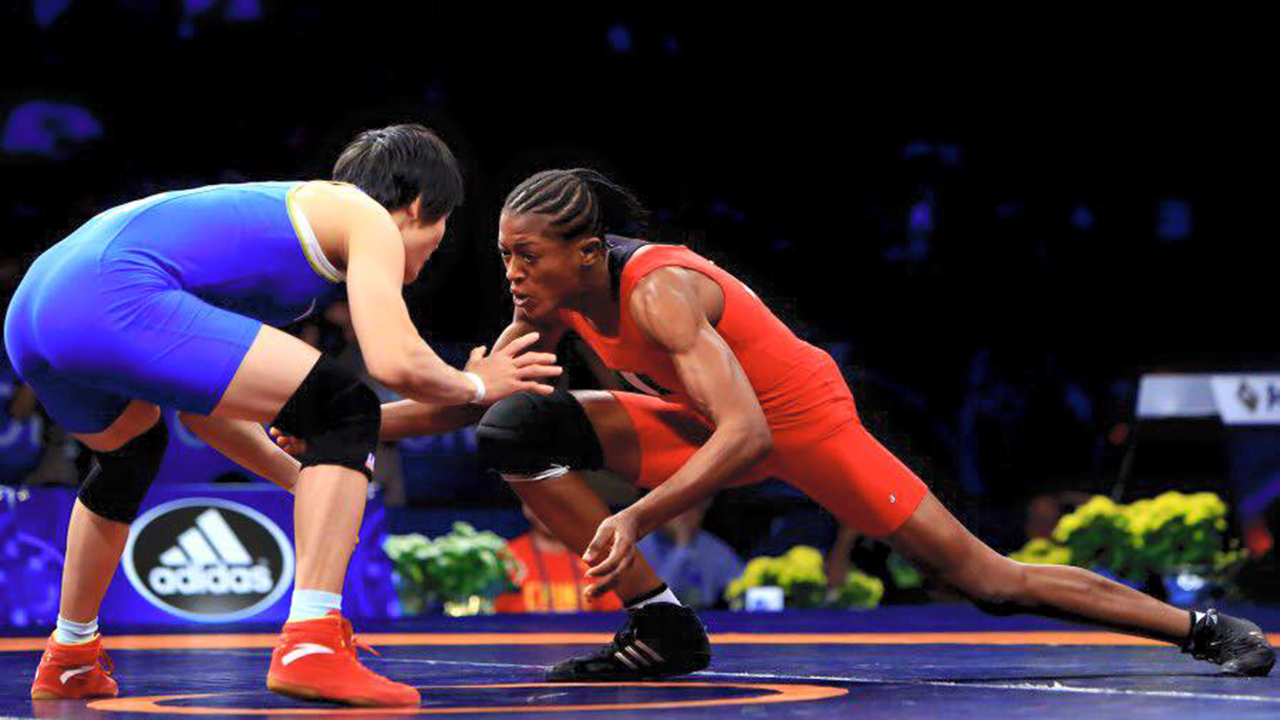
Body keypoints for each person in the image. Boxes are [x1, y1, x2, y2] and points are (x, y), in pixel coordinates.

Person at [284, 168, 1275, 682]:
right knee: (512, 430)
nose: (511, 272)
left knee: (984, 579)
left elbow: (750, 438)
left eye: (526, 255)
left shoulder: (660, 291)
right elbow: (472, 396)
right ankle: (662, 627)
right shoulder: (554, 294)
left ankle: (1200, 629)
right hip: (694, 421)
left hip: (799, 426)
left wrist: (636, 515)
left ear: (585, 252)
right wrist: (344, 428)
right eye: (504, 254)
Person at [5, 124, 560, 707]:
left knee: (130, 457)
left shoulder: (285, 243)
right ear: (419, 206)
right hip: (107, 290)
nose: (436, 246)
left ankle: (70, 655)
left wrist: (309, 480)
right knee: (342, 405)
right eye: (443, 226)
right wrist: (477, 382)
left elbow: (203, 414)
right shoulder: (366, 214)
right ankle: (311, 644)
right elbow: (394, 362)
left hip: (38, 308)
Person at [494, 505, 623, 613]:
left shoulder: (598, 556)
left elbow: (614, 616)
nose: (552, 514)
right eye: (544, 504)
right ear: (527, 508)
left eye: (558, 504)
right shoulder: (506, 556)